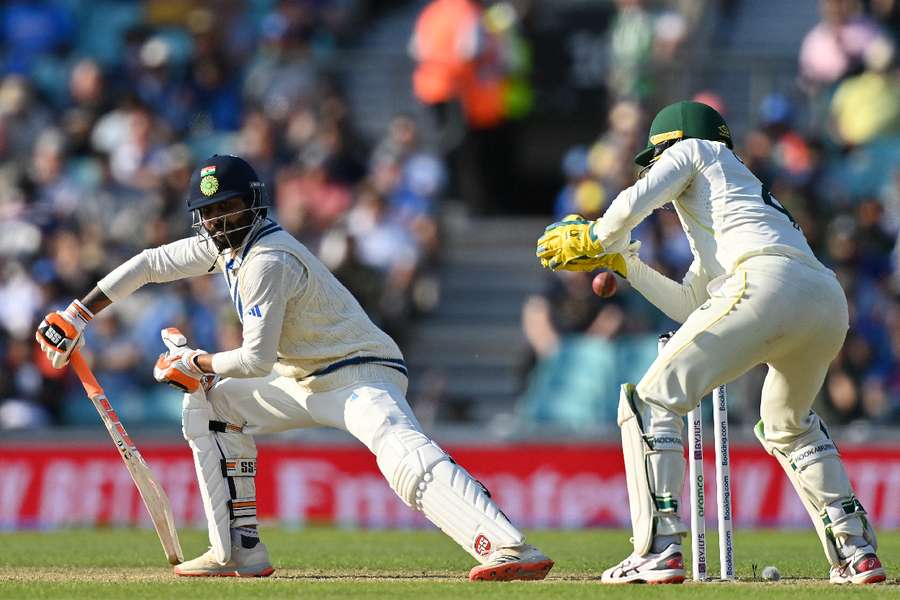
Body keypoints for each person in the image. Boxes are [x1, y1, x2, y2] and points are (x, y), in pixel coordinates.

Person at [35, 154, 553, 581]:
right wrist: (79, 313)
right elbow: (149, 264)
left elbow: (256, 358)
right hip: (298, 379)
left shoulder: (267, 259)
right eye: (211, 213)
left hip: (357, 373)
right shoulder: (224, 250)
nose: (221, 221)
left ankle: (510, 547)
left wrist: (198, 360)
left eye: (231, 208)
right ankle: (238, 550)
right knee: (210, 406)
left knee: (400, 455)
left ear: (254, 206)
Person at [535, 101, 887, 585]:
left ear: (672, 143)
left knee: (651, 398)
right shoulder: (731, 216)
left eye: (655, 157)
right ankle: (857, 552)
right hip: (823, 299)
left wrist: (597, 236)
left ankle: (657, 548)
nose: (655, 167)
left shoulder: (697, 149)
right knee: (789, 425)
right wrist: (625, 266)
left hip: (766, 281)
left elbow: (640, 196)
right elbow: (690, 306)